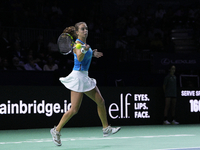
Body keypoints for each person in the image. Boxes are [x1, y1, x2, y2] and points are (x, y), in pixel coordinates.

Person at [50, 22, 121, 146]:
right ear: (77, 32)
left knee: (101, 101)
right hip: (78, 77)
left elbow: (86, 54)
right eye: (82, 29)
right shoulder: (78, 44)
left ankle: (106, 128)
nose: (85, 31)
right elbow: (80, 57)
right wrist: (84, 50)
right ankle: (56, 130)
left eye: (86, 28)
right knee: (74, 110)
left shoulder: (84, 44)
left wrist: (93, 53)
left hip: (84, 76)